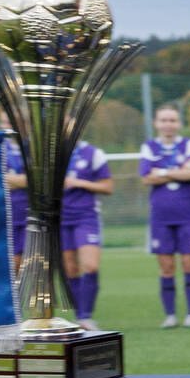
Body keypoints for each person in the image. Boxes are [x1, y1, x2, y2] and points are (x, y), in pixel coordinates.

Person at [141, 104, 190, 328]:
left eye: (172, 120)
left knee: (189, 264)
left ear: (179, 123)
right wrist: (179, 172)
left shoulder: (188, 144)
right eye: (164, 120)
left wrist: (162, 171)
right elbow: (146, 178)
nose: (168, 124)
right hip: (161, 216)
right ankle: (170, 315)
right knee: (166, 266)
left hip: (187, 214)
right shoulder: (149, 147)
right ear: (156, 123)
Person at [60, 138, 111, 331]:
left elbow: (107, 187)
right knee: (71, 269)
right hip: (61, 218)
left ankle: (86, 316)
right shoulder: (52, 155)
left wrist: (79, 183)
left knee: (90, 266)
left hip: (86, 216)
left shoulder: (93, 153)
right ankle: (79, 316)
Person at [1, 120, 28, 276]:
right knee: (13, 267)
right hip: (8, 215)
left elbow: (38, 181)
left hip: (31, 215)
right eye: (4, 121)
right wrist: (24, 180)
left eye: (10, 121)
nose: (7, 124)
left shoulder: (32, 148)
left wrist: (11, 180)